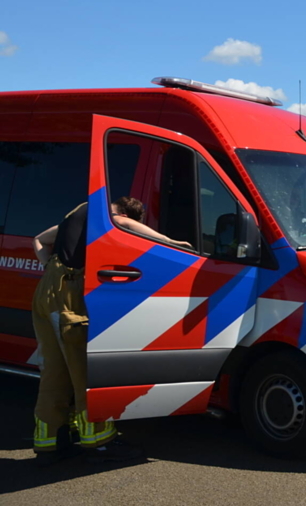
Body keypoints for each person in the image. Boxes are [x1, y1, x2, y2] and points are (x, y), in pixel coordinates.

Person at [30, 197, 191, 465]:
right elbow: (121, 221)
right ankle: (99, 443)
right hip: (69, 292)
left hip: (46, 292)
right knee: (84, 371)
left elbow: (39, 239)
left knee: (54, 374)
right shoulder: (105, 212)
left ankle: (50, 444)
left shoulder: (76, 212)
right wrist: (172, 243)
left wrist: (49, 266)